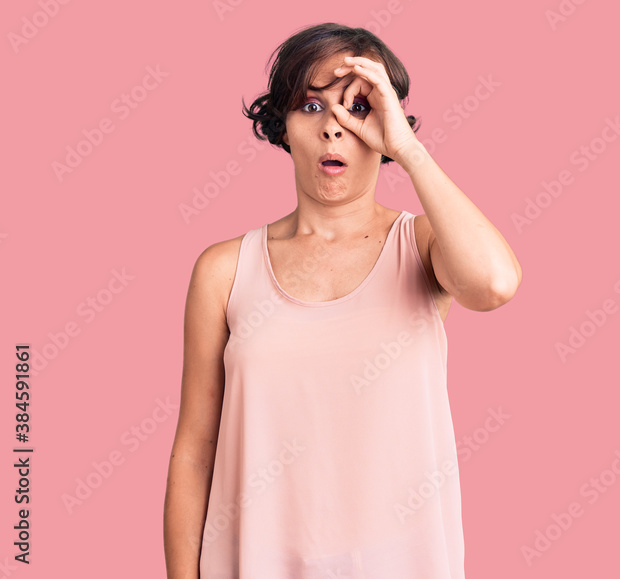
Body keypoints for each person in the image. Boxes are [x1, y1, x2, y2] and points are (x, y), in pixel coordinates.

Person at [163, 22, 521, 579]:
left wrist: (407, 148)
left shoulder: (422, 246)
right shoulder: (224, 270)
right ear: (282, 123)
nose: (334, 128)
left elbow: (494, 283)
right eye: (310, 106)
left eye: (357, 106)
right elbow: (195, 449)